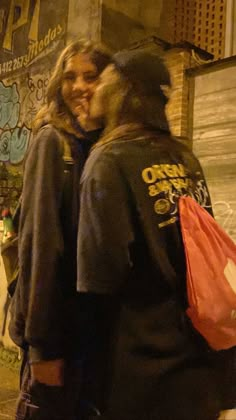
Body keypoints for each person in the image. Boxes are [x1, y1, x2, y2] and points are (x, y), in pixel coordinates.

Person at [76, 50, 233, 420]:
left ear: (123, 89)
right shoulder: (185, 158)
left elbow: (99, 280)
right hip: (197, 373)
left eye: (102, 79)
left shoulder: (108, 160)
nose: (92, 89)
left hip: (138, 380)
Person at [8, 39, 111, 420]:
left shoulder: (103, 145)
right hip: (56, 336)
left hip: (91, 337)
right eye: (70, 77)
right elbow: (39, 246)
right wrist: (43, 349)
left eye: (91, 76)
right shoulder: (54, 142)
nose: (79, 86)